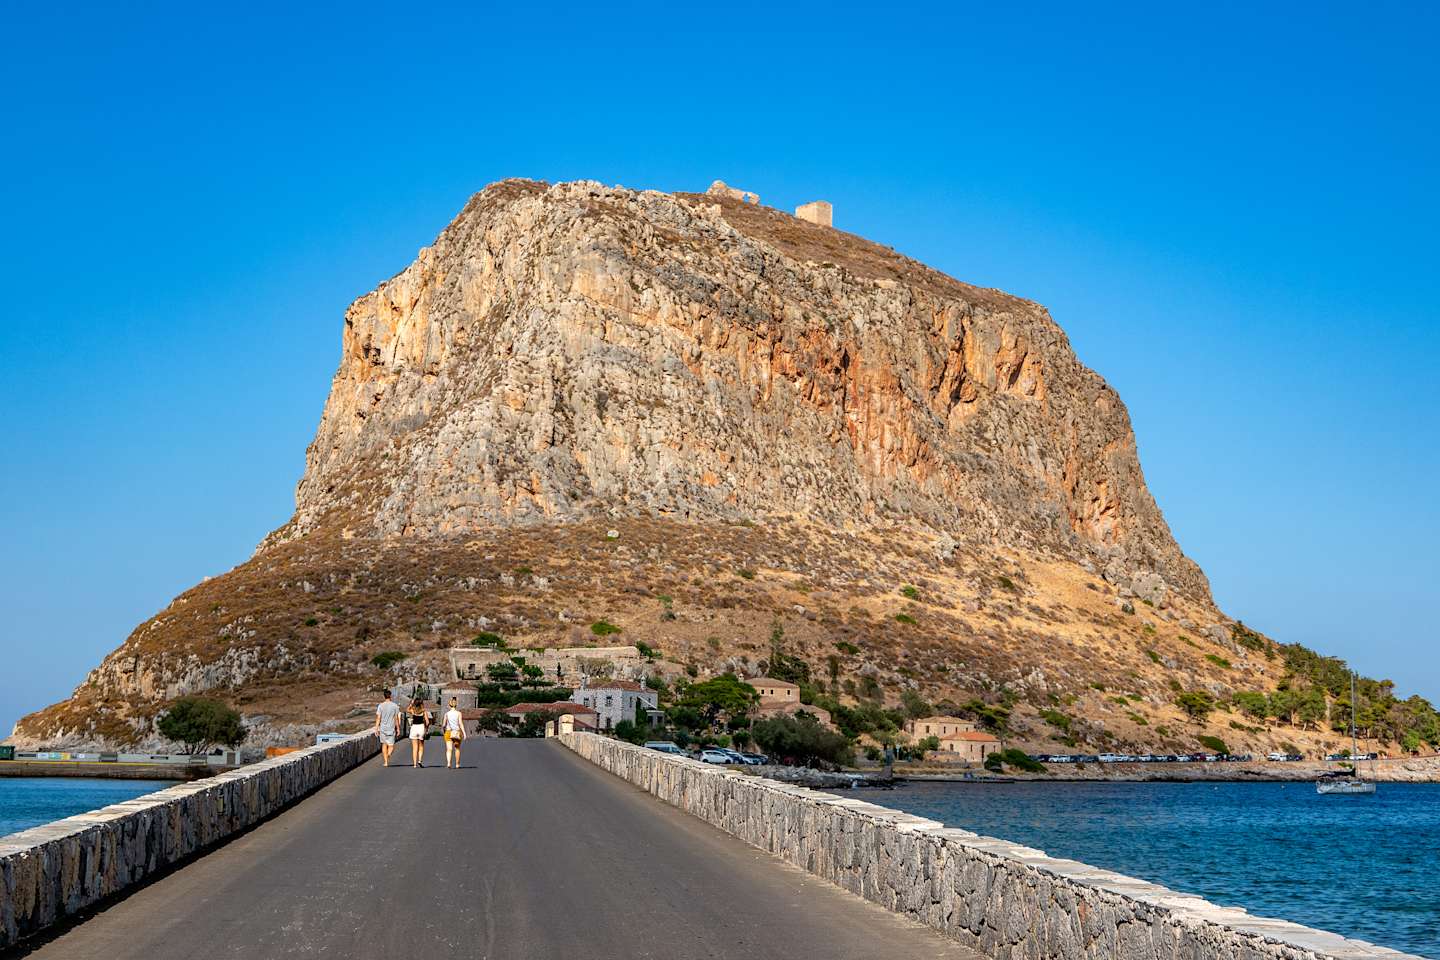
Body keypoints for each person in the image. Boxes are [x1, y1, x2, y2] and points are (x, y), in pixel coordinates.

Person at [374, 689, 401, 766]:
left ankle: (386, 761)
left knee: (384, 744)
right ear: (390, 696)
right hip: (391, 728)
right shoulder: (395, 706)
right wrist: (398, 728)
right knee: (391, 745)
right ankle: (388, 756)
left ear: (384, 696)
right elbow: (396, 718)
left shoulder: (380, 706)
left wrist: (376, 728)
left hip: (382, 728)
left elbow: (378, 718)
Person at [406, 697, 430, 768]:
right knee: (421, 746)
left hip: (414, 728)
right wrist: (426, 728)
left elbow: (407, 710)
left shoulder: (413, 710)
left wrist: (411, 704)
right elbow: (427, 722)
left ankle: (414, 764)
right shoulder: (423, 711)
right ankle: (419, 760)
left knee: (414, 747)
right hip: (421, 728)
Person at [442, 697, 466, 769]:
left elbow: (444, 725)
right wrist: (464, 733)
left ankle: (449, 763)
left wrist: (444, 731)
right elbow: (461, 723)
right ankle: (457, 764)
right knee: (457, 748)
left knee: (449, 749)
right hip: (456, 732)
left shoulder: (446, 714)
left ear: (449, 705)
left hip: (448, 732)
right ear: (456, 705)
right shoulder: (459, 713)